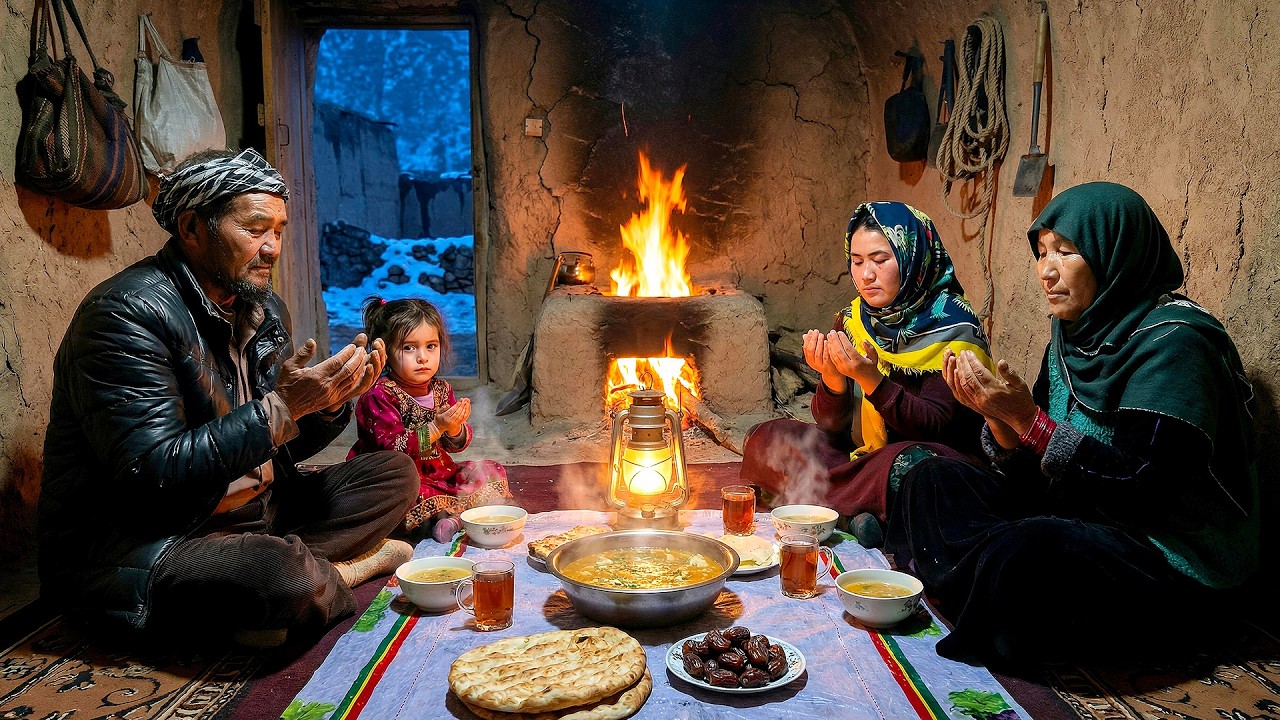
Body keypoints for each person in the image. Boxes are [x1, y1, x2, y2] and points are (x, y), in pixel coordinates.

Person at [38, 148, 420, 647]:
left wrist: (323, 407)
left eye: (279, 230)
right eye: (255, 228)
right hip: (153, 538)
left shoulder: (261, 308)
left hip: (252, 511)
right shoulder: (125, 316)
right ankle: (333, 573)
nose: (272, 247)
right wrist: (282, 409)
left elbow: (271, 449)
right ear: (193, 227)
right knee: (284, 576)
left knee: (393, 472)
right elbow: (154, 474)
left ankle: (269, 580)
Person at [889, 182, 1261, 667]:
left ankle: (987, 590)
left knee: (1032, 551)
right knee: (929, 479)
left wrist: (1028, 421)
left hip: (1168, 559)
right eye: (1042, 252)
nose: (1046, 271)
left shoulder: (1176, 345)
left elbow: (1142, 490)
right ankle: (993, 591)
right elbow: (1033, 469)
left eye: (1066, 252)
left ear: (1114, 253)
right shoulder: (1073, 332)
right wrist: (999, 420)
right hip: (1079, 517)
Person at [740, 202, 990, 545]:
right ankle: (851, 515)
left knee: (910, 466)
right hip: (863, 457)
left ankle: (831, 509)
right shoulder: (854, 319)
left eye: (880, 260)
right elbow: (831, 427)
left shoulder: (953, 325)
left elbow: (936, 424)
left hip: (928, 456)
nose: (865, 275)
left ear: (911, 257)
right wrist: (832, 379)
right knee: (766, 437)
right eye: (857, 262)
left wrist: (872, 379)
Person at [348, 297, 511, 542]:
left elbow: (454, 445)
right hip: (397, 480)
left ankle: (453, 520)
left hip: (438, 473)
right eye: (409, 348)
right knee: (406, 496)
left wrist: (455, 428)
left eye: (431, 346)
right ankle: (454, 518)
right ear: (384, 352)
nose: (422, 357)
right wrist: (436, 427)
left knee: (490, 469)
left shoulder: (442, 390)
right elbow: (394, 450)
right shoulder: (379, 396)